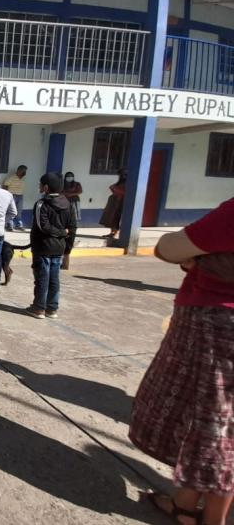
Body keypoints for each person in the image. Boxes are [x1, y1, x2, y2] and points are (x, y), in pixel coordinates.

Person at [129, 198, 234, 525]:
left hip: (218, 322)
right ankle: (186, 503)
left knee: (214, 423)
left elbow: (168, 248)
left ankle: (210, 517)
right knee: (221, 422)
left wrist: (201, 259)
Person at [26, 173, 77, 320]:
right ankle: (52, 308)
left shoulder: (42, 204)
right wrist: (67, 247)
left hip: (43, 247)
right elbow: (73, 227)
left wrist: (61, 232)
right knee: (53, 278)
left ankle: (39, 308)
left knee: (42, 277)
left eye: (40, 184)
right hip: (59, 247)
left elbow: (43, 226)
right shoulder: (68, 204)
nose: (39, 187)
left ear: (46, 187)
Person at [60, 171, 83, 271]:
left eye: (71, 177)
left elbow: (79, 191)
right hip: (66, 204)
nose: (69, 178)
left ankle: (65, 265)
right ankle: (64, 264)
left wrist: (70, 194)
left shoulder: (77, 184)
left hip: (74, 202)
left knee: (67, 247)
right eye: (68, 177)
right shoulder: (62, 184)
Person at [99, 171, 126, 239]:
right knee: (111, 217)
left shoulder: (128, 183)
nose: (122, 176)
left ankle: (115, 233)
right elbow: (112, 187)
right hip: (114, 202)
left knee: (117, 218)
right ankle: (112, 232)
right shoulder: (120, 183)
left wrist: (117, 191)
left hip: (120, 202)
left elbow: (123, 192)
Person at [2, 165, 28, 232]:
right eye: (23, 171)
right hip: (12, 195)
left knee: (19, 211)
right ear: (18, 171)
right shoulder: (11, 178)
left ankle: (19, 225)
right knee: (11, 211)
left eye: (25, 171)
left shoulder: (23, 178)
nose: (24, 173)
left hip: (20, 196)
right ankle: (10, 226)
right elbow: (5, 185)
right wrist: (7, 195)